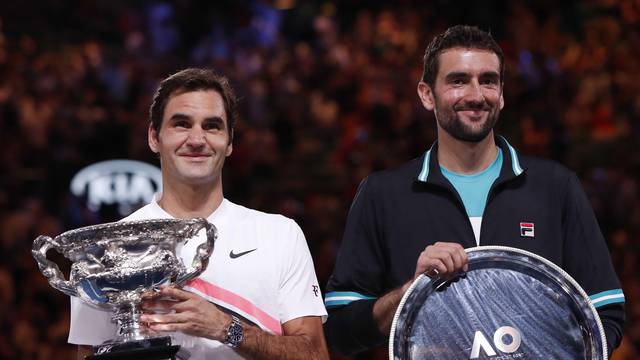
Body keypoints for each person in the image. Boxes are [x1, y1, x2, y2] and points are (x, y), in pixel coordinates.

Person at [323, 25, 625, 357]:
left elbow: (604, 313)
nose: (476, 95)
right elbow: (339, 330)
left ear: (502, 93)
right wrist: (411, 292)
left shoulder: (555, 187)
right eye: (458, 80)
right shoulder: (383, 194)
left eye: (488, 80)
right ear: (427, 94)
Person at [69, 68, 329, 360]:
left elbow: (315, 354)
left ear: (229, 142)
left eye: (212, 126)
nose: (196, 138)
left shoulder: (280, 235)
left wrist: (225, 328)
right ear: (154, 137)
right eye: (181, 124)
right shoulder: (107, 250)